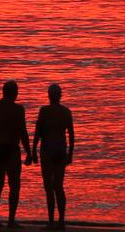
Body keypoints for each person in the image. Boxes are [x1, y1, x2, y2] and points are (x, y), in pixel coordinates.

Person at [0, 80, 32, 227]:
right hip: (11, 149)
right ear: (15, 93)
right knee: (14, 185)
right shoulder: (18, 109)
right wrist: (29, 152)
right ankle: (11, 220)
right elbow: (22, 132)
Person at [32, 84, 74, 229]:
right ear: (60, 96)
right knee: (59, 186)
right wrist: (70, 154)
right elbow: (72, 135)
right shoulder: (66, 112)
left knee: (49, 187)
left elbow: (38, 132)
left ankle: (51, 221)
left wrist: (33, 151)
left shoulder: (44, 111)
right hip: (61, 150)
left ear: (49, 95)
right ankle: (61, 220)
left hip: (47, 151)